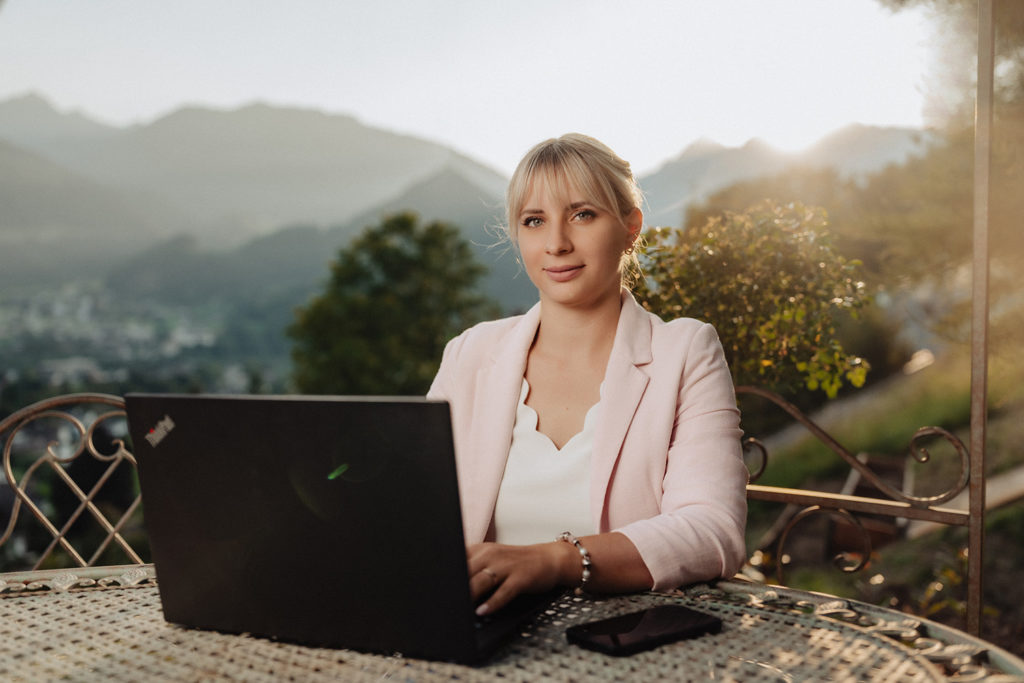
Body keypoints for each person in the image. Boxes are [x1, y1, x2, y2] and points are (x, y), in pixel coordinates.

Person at [427, 133, 747, 616]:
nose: (556, 243)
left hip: (622, 645)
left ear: (631, 227)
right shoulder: (469, 354)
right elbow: (412, 509)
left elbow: (712, 531)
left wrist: (557, 560)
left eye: (582, 215)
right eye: (534, 221)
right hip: (479, 638)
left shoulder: (685, 351)